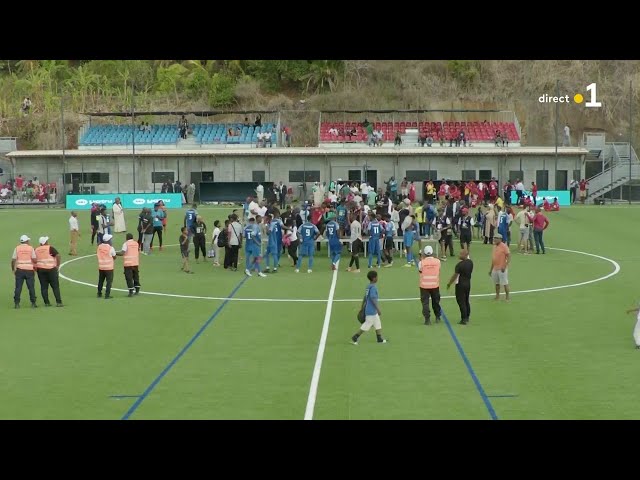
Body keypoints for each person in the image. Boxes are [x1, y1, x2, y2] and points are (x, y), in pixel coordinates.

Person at [351, 270, 387, 345]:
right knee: (367, 324)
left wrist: (361, 307)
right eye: (377, 277)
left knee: (377, 323)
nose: (377, 278)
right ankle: (355, 336)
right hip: (371, 310)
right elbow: (373, 298)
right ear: (374, 278)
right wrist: (378, 309)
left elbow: (365, 297)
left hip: (370, 309)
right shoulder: (373, 287)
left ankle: (379, 338)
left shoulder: (368, 286)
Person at [35, 236, 63, 307]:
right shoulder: (50, 248)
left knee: (44, 287)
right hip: (51, 269)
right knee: (55, 286)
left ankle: (46, 303)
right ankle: (58, 302)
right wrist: (57, 265)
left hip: (40, 270)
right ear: (45, 242)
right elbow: (58, 255)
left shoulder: (36, 249)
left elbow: (33, 259)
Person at [447, 249, 473, 324]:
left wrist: (449, 283)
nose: (459, 255)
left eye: (461, 254)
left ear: (465, 255)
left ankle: (463, 318)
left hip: (460, 285)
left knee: (461, 302)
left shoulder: (459, 265)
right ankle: (467, 316)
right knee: (466, 300)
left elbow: (455, 276)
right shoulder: (470, 263)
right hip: (468, 284)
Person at [12, 234, 38, 308]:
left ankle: (16, 303)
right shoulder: (30, 248)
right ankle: (33, 303)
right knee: (31, 287)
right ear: (26, 241)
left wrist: (13, 269)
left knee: (18, 287)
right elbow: (34, 260)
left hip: (20, 270)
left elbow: (13, 260)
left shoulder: (17, 248)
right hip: (29, 270)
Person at [418, 245, 442, 325]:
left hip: (424, 286)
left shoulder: (421, 263)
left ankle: (427, 319)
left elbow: (420, 271)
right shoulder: (438, 261)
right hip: (435, 285)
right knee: (436, 302)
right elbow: (438, 270)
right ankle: (437, 316)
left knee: (425, 303)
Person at [489, 232, 510, 301]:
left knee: (504, 283)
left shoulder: (504, 246)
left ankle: (507, 297)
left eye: (496, 238)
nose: (494, 239)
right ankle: (497, 296)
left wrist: (505, 266)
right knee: (497, 283)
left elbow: (508, 257)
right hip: (495, 268)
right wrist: (491, 269)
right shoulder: (494, 246)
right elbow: (493, 259)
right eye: (494, 238)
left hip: (502, 269)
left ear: (500, 239)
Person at [97, 233, 116, 299]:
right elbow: (114, 256)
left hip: (101, 266)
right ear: (108, 240)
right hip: (109, 268)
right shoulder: (111, 248)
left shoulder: (99, 247)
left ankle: (99, 293)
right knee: (109, 282)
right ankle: (107, 295)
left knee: (100, 280)